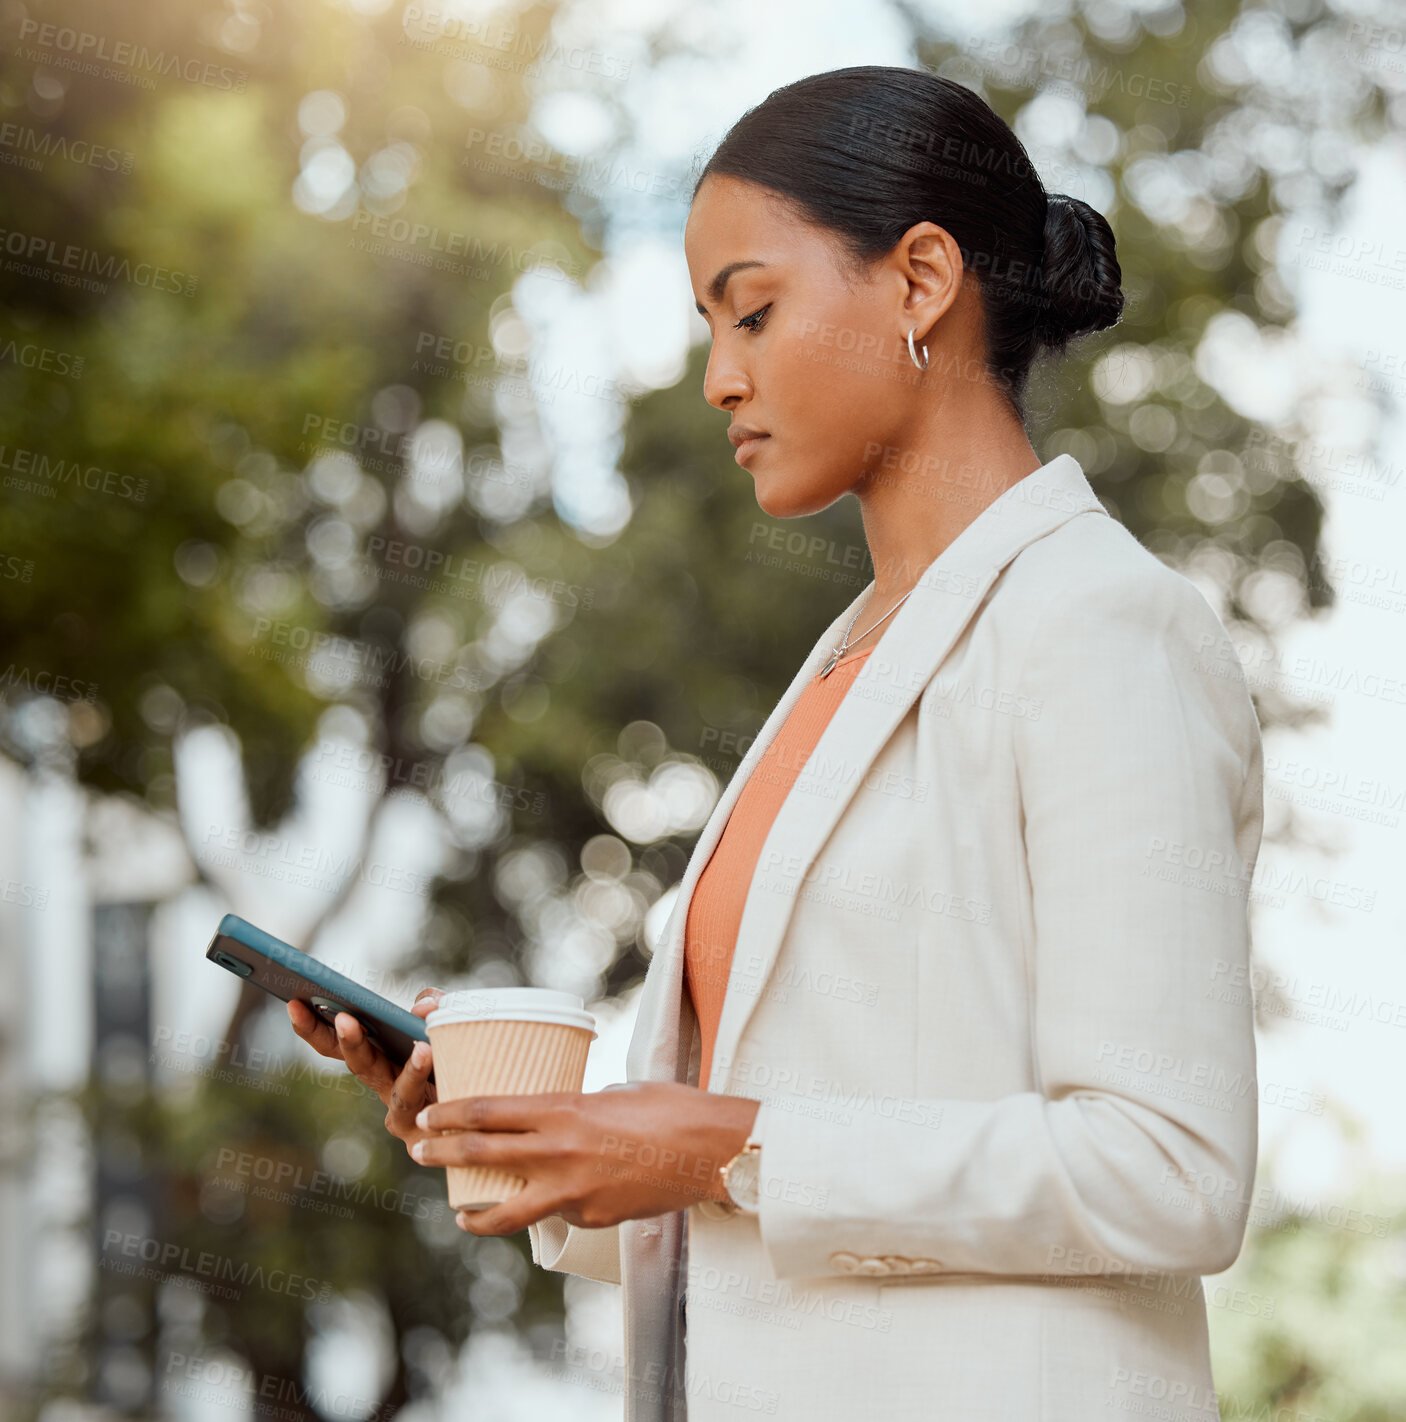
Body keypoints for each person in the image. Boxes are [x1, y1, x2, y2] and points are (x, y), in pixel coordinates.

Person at [290, 65, 1263, 1422]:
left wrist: (720, 1144)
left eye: (752, 309)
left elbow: (1168, 1165)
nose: (716, 376)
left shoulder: (1102, 627)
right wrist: (538, 1128)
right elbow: (768, 1177)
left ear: (921, 280)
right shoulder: (847, 666)